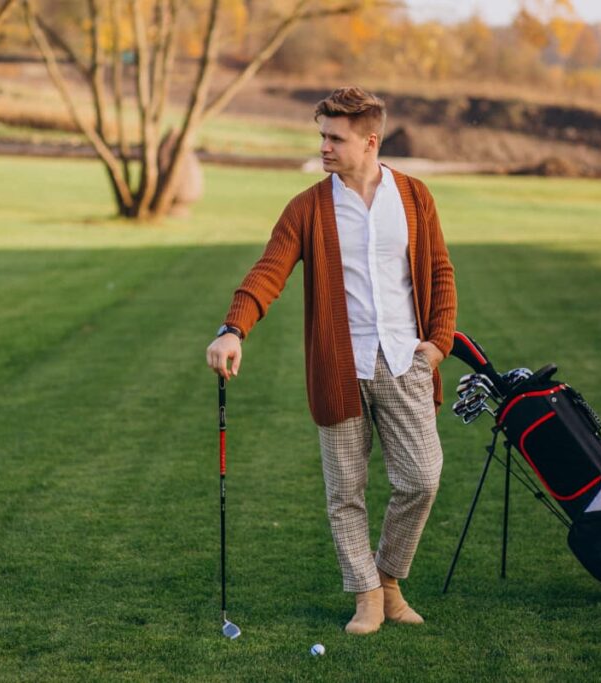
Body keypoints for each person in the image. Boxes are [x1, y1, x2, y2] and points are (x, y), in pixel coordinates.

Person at [205, 87, 456, 635]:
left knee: (422, 478)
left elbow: (439, 270)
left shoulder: (414, 197)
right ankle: (367, 595)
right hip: (337, 367)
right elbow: (269, 270)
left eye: (335, 138)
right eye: (321, 135)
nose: (323, 146)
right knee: (346, 493)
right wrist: (233, 329)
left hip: (404, 360)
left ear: (370, 141)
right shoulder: (307, 208)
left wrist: (439, 342)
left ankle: (388, 578)